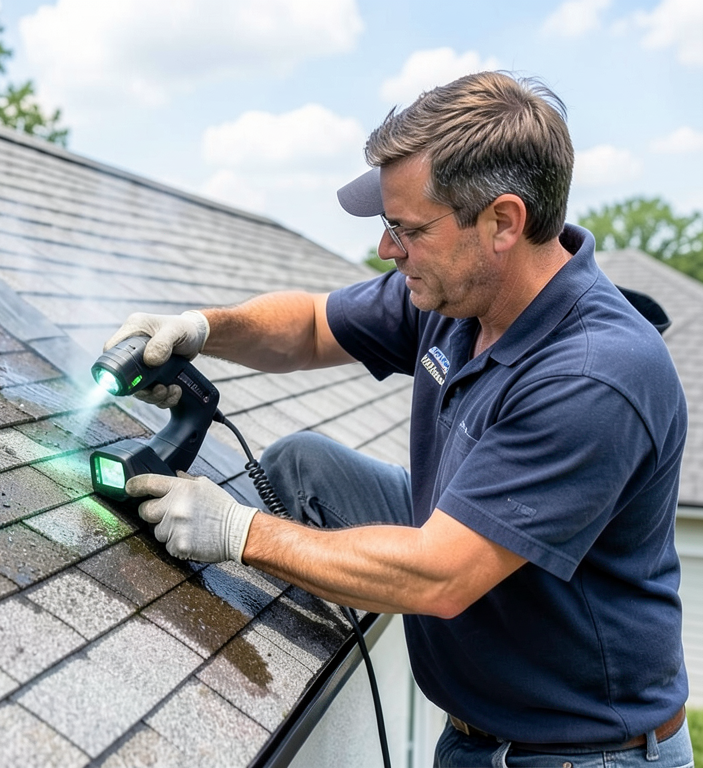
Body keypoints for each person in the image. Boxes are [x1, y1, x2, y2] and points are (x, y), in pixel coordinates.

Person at [104, 71, 691, 767]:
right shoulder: (458, 297)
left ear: (503, 222)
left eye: (407, 229)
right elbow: (311, 325)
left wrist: (239, 532)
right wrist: (200, 328)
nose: (388, 249)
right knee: (303, 467)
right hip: (476, 726)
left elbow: (441, 576)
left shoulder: (593, 375)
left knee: (342, 532)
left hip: (581, 752)